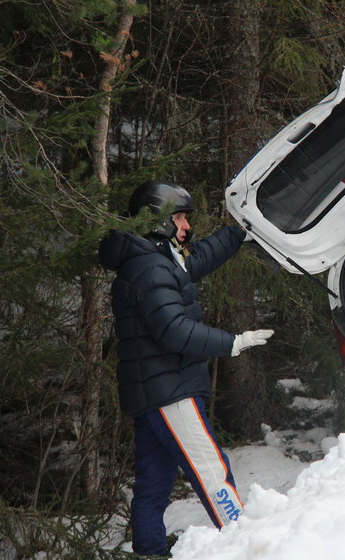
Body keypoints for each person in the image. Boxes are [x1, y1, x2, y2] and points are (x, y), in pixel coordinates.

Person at [98, 180, 273, 557]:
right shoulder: (149, 267)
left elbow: (195, 261)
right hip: (170, 391)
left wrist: (237, 235)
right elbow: (173, 331)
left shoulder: (148, 259)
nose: (186, 227)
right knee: (212, 471)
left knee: (152, 485)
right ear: (157, 221)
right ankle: (249, 547)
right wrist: (233, 342)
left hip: (151, 393)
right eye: (179, 218)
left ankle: (149, 552)